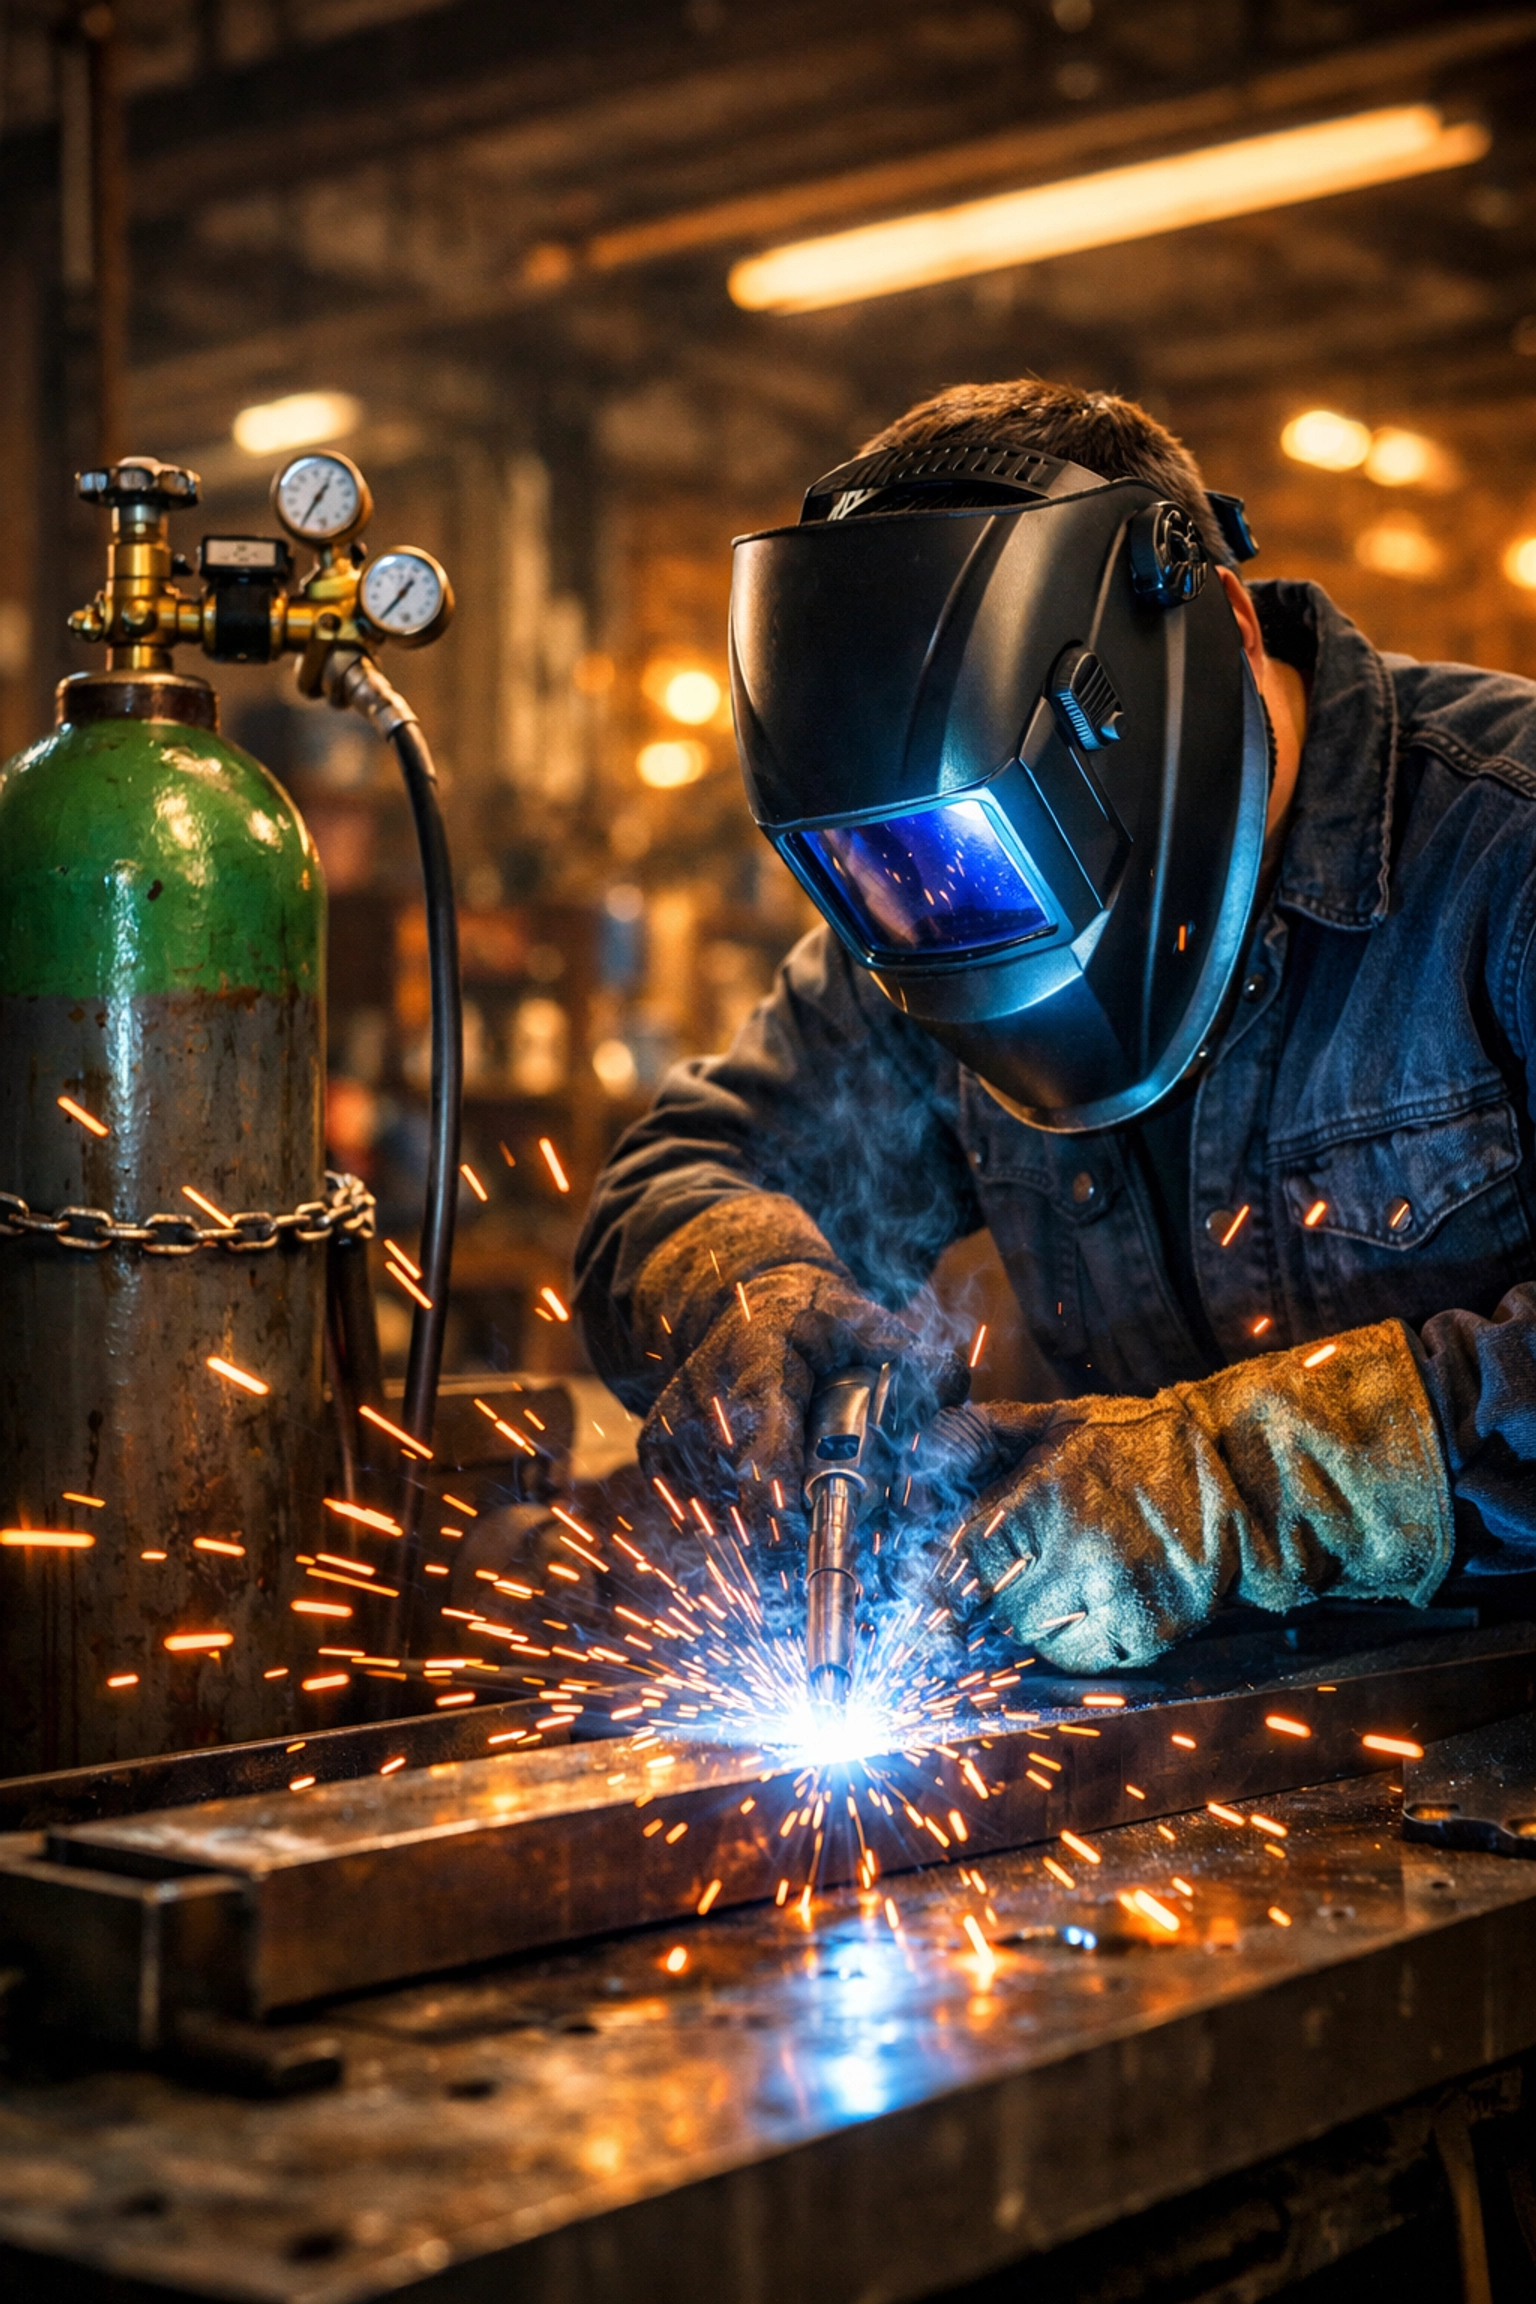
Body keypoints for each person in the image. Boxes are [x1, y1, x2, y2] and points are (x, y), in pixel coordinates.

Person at [574, 379, 1536, 1674]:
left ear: (1218, 638)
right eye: (883, 866)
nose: (959, 903)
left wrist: (1239, 1488)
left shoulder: (1507, 853)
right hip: (1203, 1759)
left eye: (996, 837)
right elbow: (685, 1169)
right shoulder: (920, 909)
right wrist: (755, 1296)